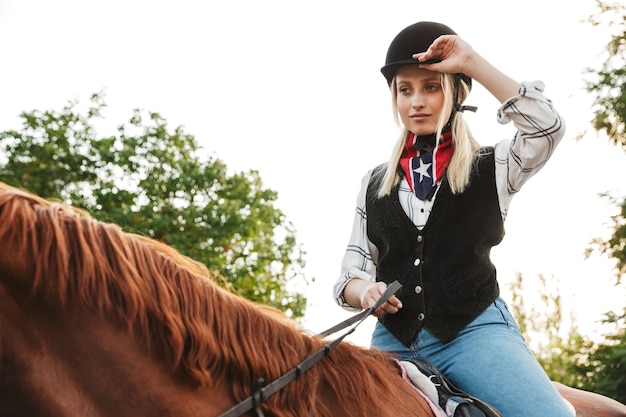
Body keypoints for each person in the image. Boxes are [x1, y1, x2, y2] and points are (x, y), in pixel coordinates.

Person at [332, 21, 572, 416]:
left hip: (473, 332)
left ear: (456, 92)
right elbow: (350, 275)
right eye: (404, 90)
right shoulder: (373, 183)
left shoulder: (494, 166)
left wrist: (472, 63)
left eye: (431, 86)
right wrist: (366, 294)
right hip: (393, 342)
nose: (416, 102)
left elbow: (547, 128)